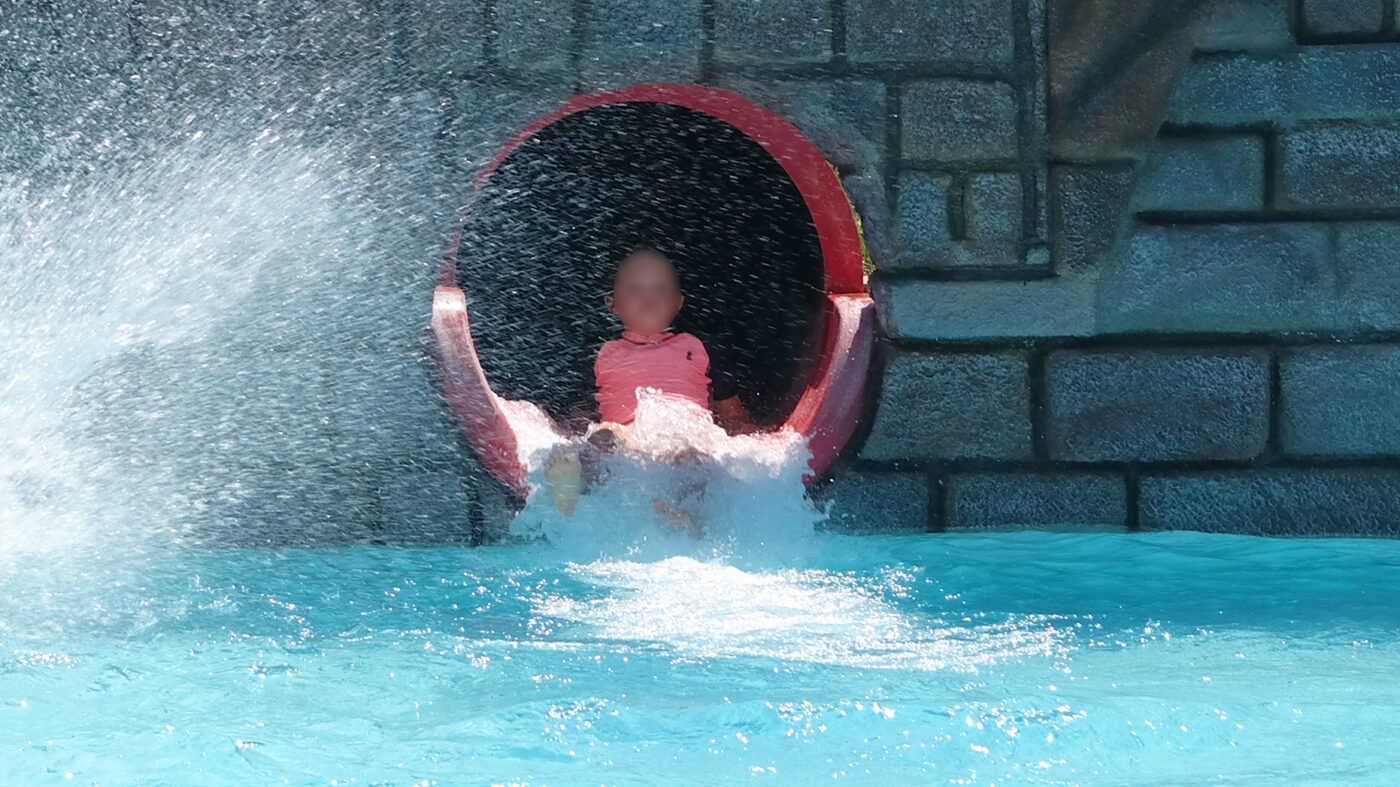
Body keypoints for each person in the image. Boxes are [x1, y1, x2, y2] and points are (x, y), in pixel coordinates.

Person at [543, 248, 758, 534]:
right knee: (604, 438)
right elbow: (583, 415)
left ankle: (690, 519)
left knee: (695, 458)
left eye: (660, 289)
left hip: (686, 430)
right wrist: (573, 437)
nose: (649, 298)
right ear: (612, 304)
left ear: (678, 303)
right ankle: (573, 484)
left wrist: (745, 438)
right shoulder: (600, 354)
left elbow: (732, 413)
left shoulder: (701, 348)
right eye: (635, 290)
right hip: (627, 432)